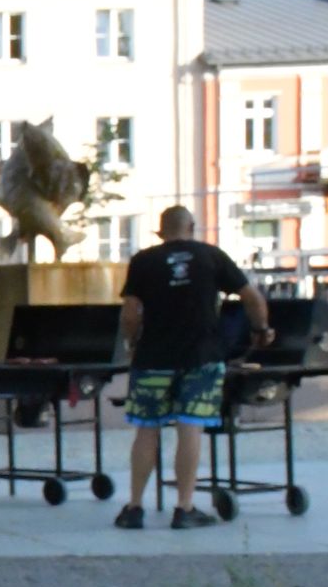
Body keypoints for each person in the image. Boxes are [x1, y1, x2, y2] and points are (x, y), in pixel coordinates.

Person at [114, 205, 271, 530]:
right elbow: (252, 298)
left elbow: (130, 313)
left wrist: (132, 344)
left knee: (146, 429)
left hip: (152, 358)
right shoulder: (212, 256)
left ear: (161, 231)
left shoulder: (143, 261)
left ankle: (134, 508)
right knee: (190, 427)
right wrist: (261, 329)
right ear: (192, 226)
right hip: (201, 358)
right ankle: (184, 508)